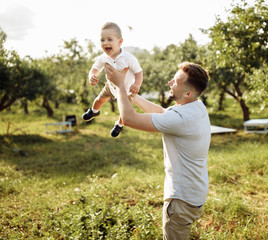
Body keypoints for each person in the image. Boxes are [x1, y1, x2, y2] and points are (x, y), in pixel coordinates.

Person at [105, 62, 211, 240]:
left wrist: (120, 86)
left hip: (181, 201)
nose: (170, 82)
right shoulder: (196, 106)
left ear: (188, 93)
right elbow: (163, 113)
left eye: (176, 81)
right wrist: (134, 97)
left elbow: (129, 119)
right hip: (195, 194)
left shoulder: (181, 118)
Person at [82, 22, 143, 137]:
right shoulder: (103, 58)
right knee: (99, 100)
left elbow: (139, 73)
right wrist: (92, 76)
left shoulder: (129, 58)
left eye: (109, 39)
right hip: (110, 87)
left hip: (127, 91)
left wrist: (137, 84)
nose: (105, 43)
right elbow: (94, 69)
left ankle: (119, 125)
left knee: (124, 112)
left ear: (120, 42)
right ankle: (94, 111)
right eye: (102, 40)